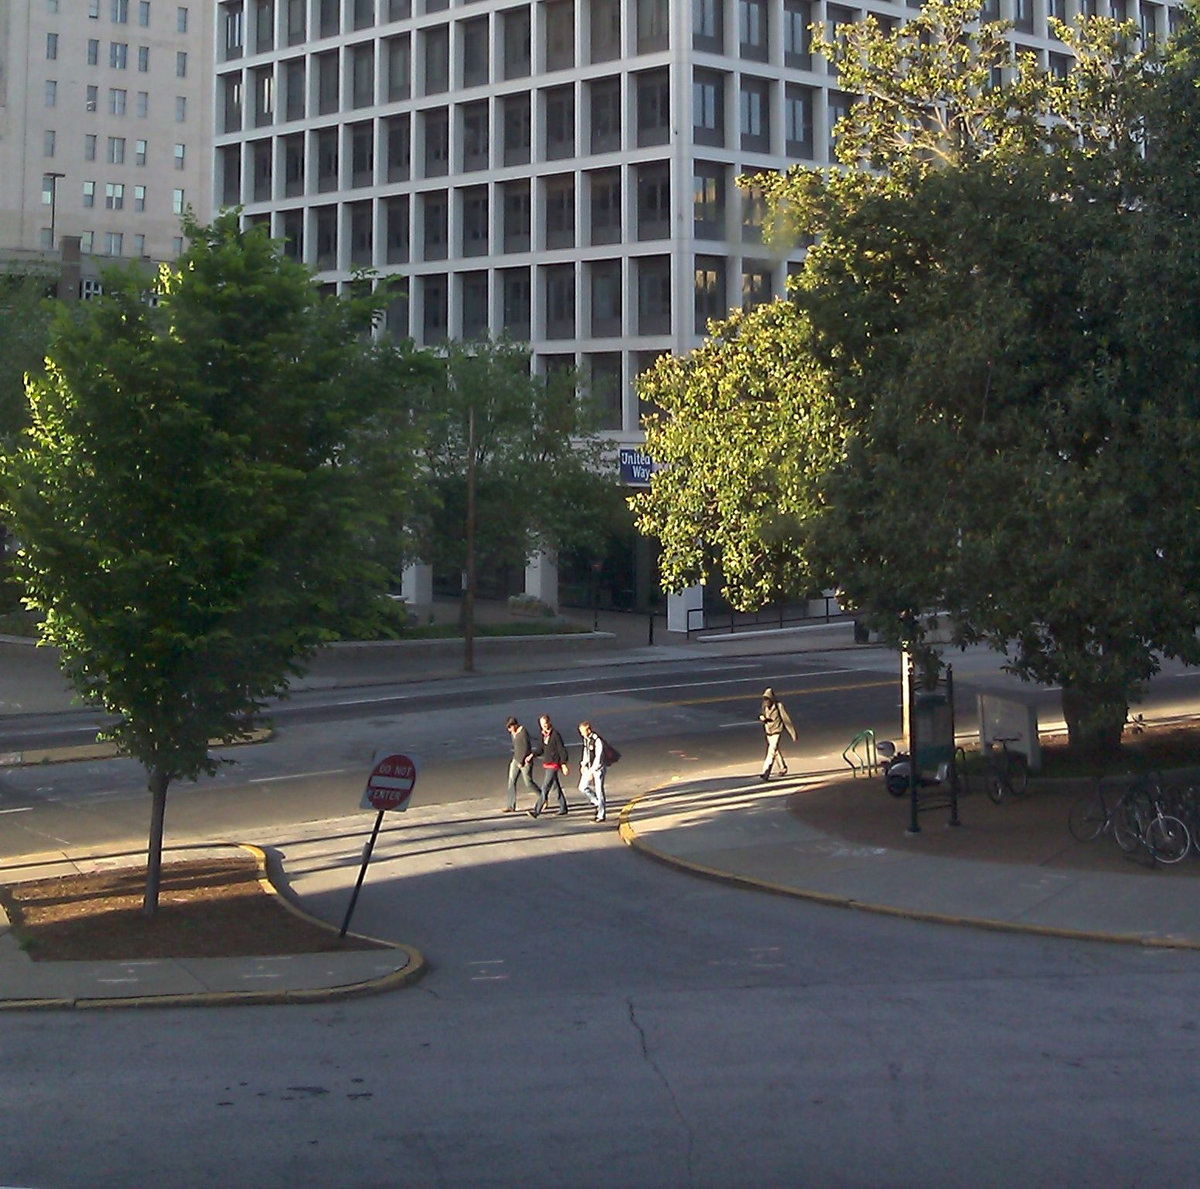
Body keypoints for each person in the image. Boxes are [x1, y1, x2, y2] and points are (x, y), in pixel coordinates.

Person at [528, 713, 569, 818]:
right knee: (555, 787)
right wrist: (532, 755)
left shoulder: (555, 735)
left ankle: (536, 811)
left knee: (545, 787)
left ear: (549, 722)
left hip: (554, 764)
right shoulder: (543, 735)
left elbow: (562, 750)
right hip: (547, 763)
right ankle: (563, 807)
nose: (544, 726)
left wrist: (563, 763)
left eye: (545, 723)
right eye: (542, 724)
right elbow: (540, 748)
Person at [503, 715, 541, 813]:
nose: (509, 730)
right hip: (515, 760)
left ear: (515, 725)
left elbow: (525, 748)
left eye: (510, 727)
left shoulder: (523, 733)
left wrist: (521, 761)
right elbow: (517, 748)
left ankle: (542, 796)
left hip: (525, 762)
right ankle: (510, 805)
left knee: (528, 782)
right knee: (511, 781)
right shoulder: (513, 733)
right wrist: (517, 760)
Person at [759, 687, 796, 781]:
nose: (766, 702)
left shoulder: (778, 706)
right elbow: (761, 714)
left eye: (767, 699)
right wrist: (762, 718)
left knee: (771, 751)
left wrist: (792, 733)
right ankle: (783, 767)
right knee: (775, 751)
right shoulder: (764, 706)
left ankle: (766, 771)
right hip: (768, 731)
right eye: (765, 699)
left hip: (776, 731)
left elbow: (786, 719)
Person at [577, 721, 609, 823]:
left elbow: (598, 758)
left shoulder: (597, 740)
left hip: (598, 769)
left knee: (599, 791)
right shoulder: (586, 739)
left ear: (589, 730)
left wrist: (592, 771)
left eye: (582, 731)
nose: (581, 734)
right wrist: (583, 764)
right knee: (582, 787)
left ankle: (601, 815)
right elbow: (586, 753)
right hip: (589, 767)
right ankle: (597, 803)